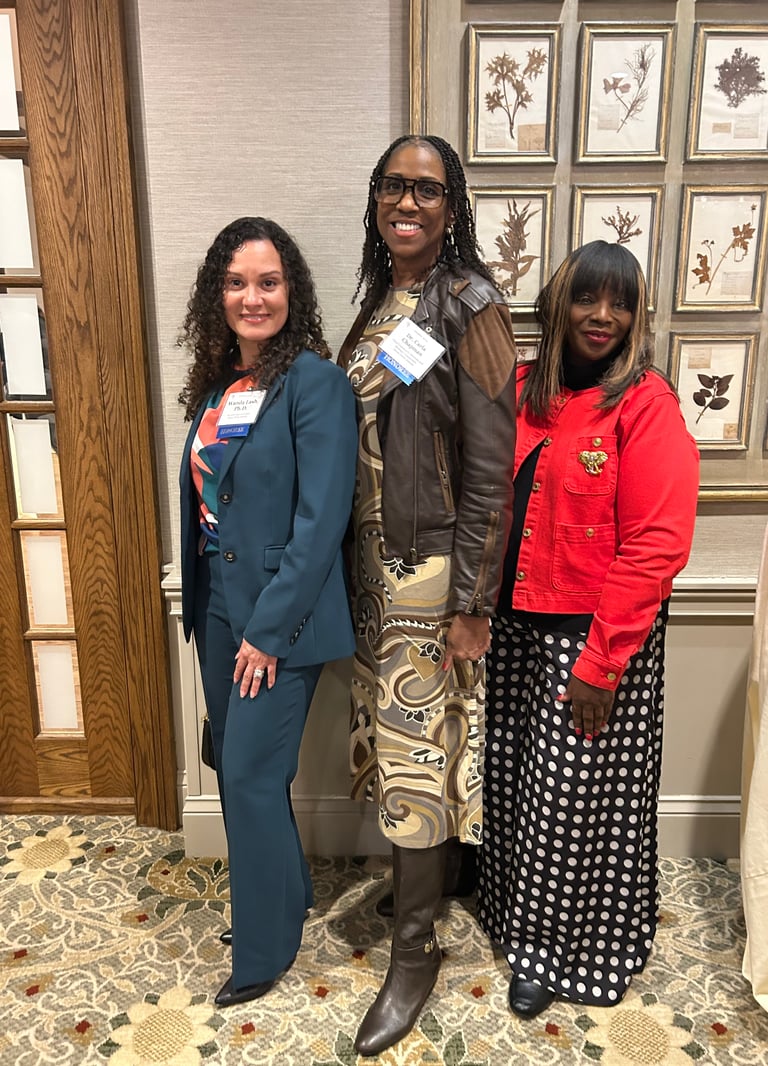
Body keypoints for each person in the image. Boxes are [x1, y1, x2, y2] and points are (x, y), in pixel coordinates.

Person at [477, 240, 700, 1019]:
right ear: (558, 303)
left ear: (637, 316)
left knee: (574, 803)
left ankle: (560, 951)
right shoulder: (519, 392)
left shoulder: (644, 404)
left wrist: (601, 663)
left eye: (620, 303)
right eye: (586, 298)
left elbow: (657, 543)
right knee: (516, 787)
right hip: (513, 628)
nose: (601, 316)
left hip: (592, 639)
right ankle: (513, 917)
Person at [339, 134, 517, 1056]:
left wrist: (475, 601)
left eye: (429, 190)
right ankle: (421, 891)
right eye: (395, 186)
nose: (409, 201)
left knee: (421, 757)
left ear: (454, 207)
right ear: (377, 198)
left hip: (431, 573)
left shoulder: (472, 304)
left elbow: (493, 469)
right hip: (375, 569)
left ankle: (416, 952)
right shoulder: (382, 302)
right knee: (402, 746)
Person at [178, 217, 357, 1008]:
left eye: (269, 281)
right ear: (217, 294)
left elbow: (322, 523)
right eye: (237, 282)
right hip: (217, 606)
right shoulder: (221, 388)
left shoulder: (313, 383)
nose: (253, 297)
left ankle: (261, 952)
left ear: (294, 291)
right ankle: (283, 902)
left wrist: (266, 630)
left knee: (250, 775)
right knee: (246, 771)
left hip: (275, 620)